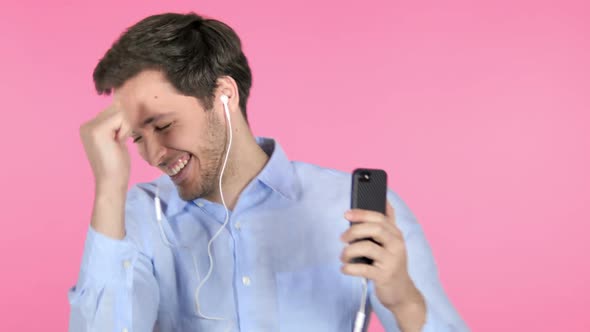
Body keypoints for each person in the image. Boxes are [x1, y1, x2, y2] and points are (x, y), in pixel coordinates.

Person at [68, 12, 468, 332]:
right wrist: (108, 189)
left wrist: (401, 297)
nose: (153, 154)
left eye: (162, 125)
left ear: (224, 96)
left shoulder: (352, 209)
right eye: (137, 137)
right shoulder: (134, 219)